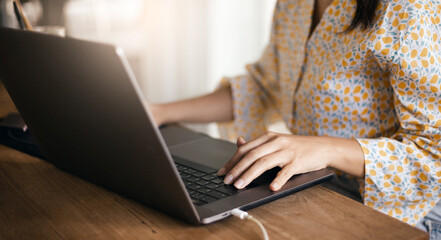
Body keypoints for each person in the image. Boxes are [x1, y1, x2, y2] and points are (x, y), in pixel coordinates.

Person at [150, 0, 441, 236]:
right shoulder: (293, 5)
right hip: (314, 189)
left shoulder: (409, 8)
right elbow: (263, 86)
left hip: (405, 211)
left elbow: (433, 152)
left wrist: (324, 148)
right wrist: (160, 112)